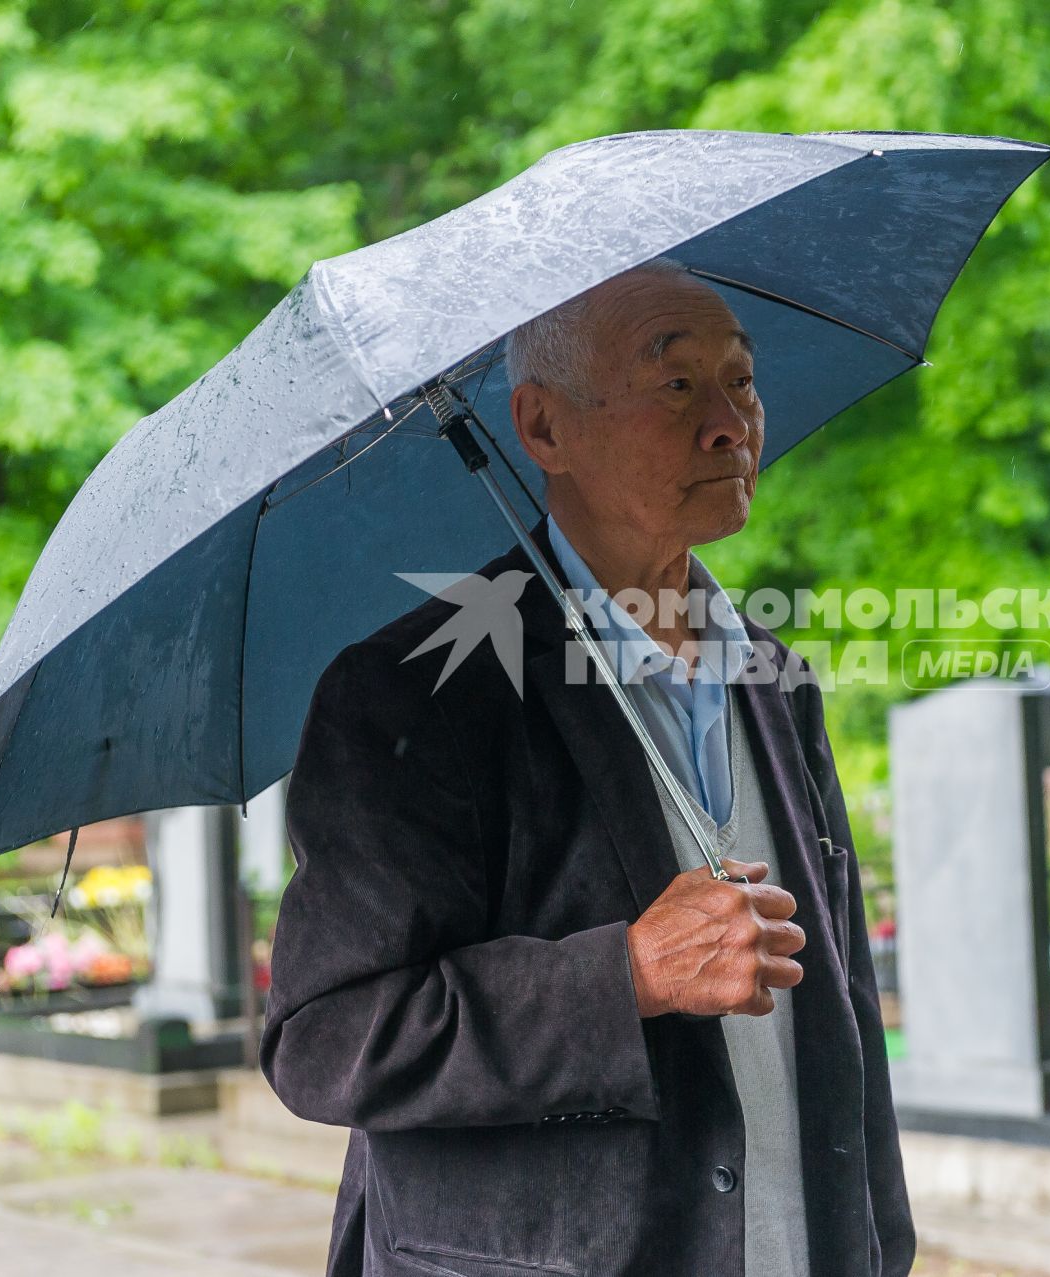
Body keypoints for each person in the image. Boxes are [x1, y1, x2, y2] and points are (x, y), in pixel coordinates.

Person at [260, 257, 914, 1277]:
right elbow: (326, 1035)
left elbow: (844, 1006)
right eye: (675, 382)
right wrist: (626, 976)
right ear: (544, 429)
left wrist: (876, 1242)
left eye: (740, 379)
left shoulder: (776, 680)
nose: (728, 424)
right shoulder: (416, 691)